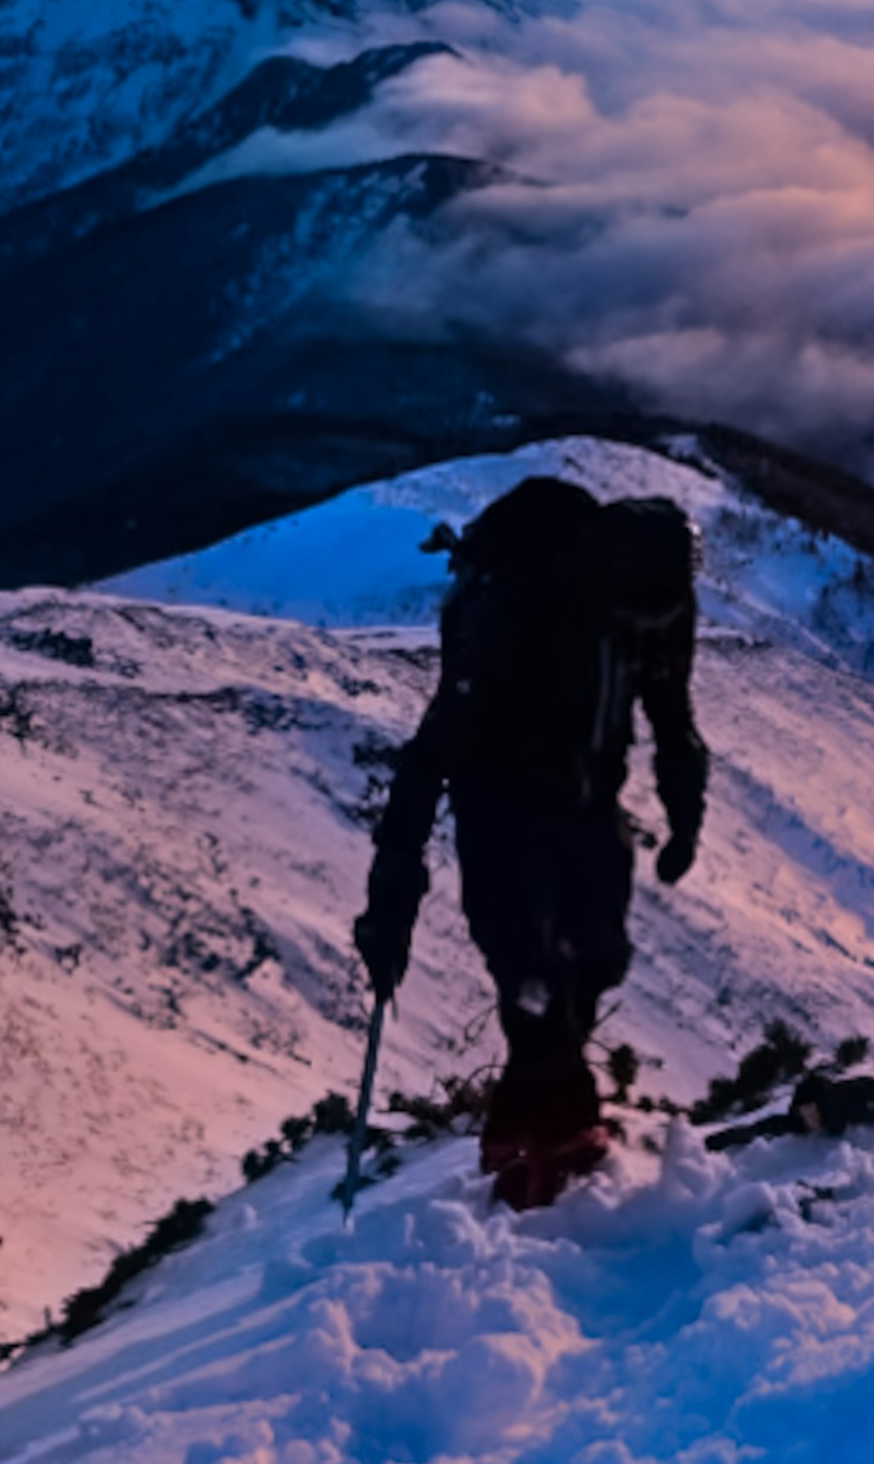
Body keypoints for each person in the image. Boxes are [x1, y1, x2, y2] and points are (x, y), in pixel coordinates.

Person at [352, 475, 710, 1210]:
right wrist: (395, 881)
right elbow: (433, 751)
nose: (656, 628)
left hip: (585, 798)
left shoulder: (653, 609)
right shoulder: (516, 618)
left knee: (599, 959)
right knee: (530, 977)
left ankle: (536, 1132)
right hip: (496, 801)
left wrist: (685, 819)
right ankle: (543, 1147)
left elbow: (674, 717)